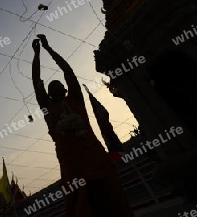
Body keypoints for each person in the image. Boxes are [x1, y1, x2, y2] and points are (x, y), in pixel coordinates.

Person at [31, 34, 133, 217]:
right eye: (51, 87)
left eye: (58, 84)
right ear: (48, 94)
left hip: (94, 156)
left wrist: (48, 49)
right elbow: (36, 81)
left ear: (65, 89)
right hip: (71, 164)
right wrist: (36, 54)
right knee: (81, 206)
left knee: (112, 200)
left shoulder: (76, 98)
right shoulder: (49, 109)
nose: (54, 86)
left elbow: (67, 70)